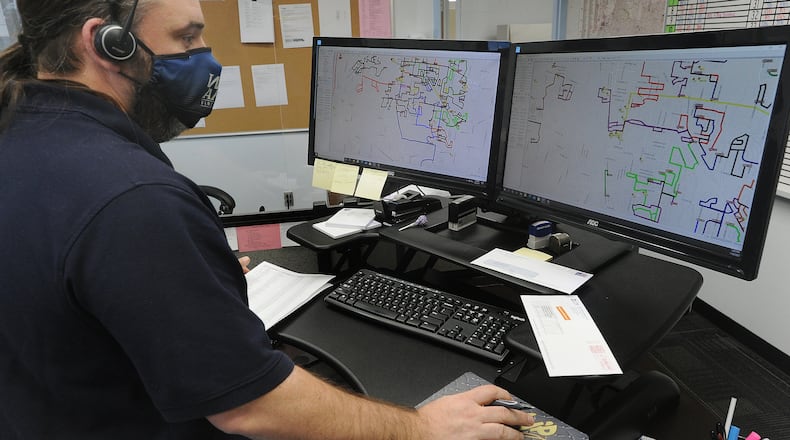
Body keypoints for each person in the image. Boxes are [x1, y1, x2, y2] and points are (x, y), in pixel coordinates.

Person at [0, 0, 535, 438]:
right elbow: (252, 408)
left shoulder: (21, 133)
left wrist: (189, 281)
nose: (205, 59)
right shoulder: (132, 198)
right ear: (107, 42)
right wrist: (421, 428)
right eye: (186, 38)